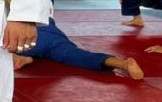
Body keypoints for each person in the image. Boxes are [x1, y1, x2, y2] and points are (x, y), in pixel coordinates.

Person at [14, 12, 144, 79]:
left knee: (3, 45)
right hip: (53, 33)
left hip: (27, 34)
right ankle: (122, 64)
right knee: (79, 55)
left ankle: (15, 56)